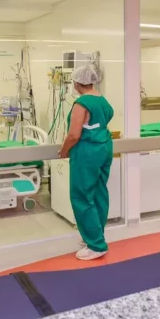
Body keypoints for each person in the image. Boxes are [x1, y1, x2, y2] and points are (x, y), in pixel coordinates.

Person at [58, 64, 114, 260]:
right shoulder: (103, 101)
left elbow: (74, 135)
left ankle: (96, 245)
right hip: (104, 149)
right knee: (99, 194)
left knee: (82, 197)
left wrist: (64, 151)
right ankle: (95, 234)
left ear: (77, 83)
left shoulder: (81, 103)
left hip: (87, 153)